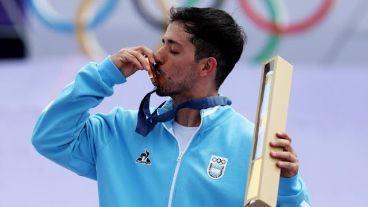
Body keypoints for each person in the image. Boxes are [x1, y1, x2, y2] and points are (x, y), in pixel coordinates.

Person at [32, 7, 310, 207]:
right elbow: (49, 137)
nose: (158, 56)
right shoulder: (119, 131)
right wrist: (104, 75)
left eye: (174, 50)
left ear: (206, 66)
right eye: (162, 44)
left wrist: (286, 185)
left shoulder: (252, 146)